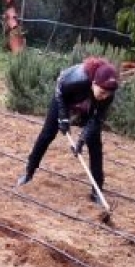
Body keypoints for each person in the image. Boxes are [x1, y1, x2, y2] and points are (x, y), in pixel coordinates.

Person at [15, 57, 119, 203]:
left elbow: (96, 120)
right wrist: (63, 117)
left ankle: (97, 190)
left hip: (88, 103)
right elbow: (60, 88)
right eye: (102, 92)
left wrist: (82, 139)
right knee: (47, 134)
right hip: (64, 97)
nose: (104, 97)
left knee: (95, 144)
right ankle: (29, 172)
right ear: (94, 83)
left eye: (107, 94)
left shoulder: (107, 94)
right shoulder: (77, 79)